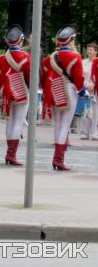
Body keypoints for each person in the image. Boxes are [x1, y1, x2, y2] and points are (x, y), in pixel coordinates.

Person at [41, 26, 86, 171]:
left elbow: (43, 76)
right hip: (68, 90)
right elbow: (78, 78)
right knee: (65, 126)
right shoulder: (75, 56)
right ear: (71, 40)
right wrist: (82, 91)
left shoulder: (50, 57)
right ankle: (58, 160)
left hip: (53, 90)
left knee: (58, 124)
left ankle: (57, 159)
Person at [0, 25, 31, 166]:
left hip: (5, 93)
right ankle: (11, 155)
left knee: (9, 123)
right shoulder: (26, 57)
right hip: (21, 93)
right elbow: (29, 78)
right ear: (21, 41)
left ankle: (9, 154)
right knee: (18, 122)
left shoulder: (0, 59)